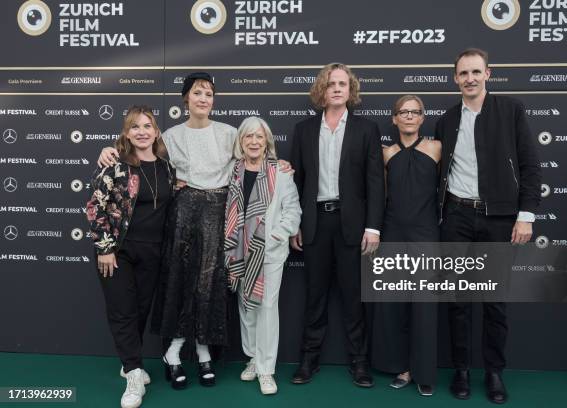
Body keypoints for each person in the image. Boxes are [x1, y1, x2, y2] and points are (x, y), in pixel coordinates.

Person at [97, 73, 292, 390]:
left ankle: (203, 349)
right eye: (198, 93)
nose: (204, 98)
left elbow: (255, 156)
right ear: (185, 99)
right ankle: (173, 351)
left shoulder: (230, 133)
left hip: (218, 213)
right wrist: (108, 150)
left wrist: (279, 164)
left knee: (209, 283)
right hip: (182, 213)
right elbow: (140, 156)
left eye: (209, 93)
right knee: (180, 281)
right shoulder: (170, 137)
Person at [435, 48, 541, 404]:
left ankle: (494, 373)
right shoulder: (447, 119)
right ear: (455, 78)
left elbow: (530, 165)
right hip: (457, 217)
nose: (470, 78)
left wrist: (525, 215)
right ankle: (461, 370)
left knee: (494, 301)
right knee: (458, 300)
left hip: (499, 218)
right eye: (463, 73)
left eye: (475, 72)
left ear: (488, 73)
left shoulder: (510, 110)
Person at [290, 62, 385, 387]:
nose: (337, 88)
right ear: (322, 89)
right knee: (314, 297)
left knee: (352, 297)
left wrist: (373, 227)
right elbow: (296, 184)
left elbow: (375, 184)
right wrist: (294, 224)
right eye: (331, 83)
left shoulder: (366, 129)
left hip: (352, 226)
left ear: (351, 89)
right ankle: (308, 361)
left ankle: (360, 363)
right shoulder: (303, 129)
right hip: (314, 223)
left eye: (343, 83)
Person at [86, 105, 174, 408]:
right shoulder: (115, 164)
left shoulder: (166, 166)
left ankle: (129, 361)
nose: (141, 132)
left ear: (156, 131)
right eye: (135, 127)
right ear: (126, 132)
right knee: (123, 311)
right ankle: (134, 374)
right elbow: (96, 206)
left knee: (139, 310)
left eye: (147, 125)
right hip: (118, 250)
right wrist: (106, 248)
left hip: (153, 252)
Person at [224, 117, 301, 395]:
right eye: (248, 137)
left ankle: (267, 370)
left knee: (267, 308)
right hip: (238, 251)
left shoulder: (280, 173)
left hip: (268, 252)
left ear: (267, 141)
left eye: (259, 137)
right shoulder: (231, 171)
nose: (254, 142)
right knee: (247, 307)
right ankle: (254, 359)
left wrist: (278, 234)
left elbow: (293, 209)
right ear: (241, 142)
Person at [370, 95, 440, 396]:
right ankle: (402, 368)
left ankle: (424, 373)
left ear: (422, 118)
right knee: (394, 305)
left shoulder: (436, 148)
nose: (409, 116)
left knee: (424, 306)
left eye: (415, 112)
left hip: (426, 234)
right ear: (394, 118)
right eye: (403, 112)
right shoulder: (386, 154)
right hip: (393, 232)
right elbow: (380, 194)